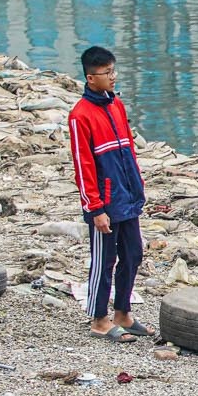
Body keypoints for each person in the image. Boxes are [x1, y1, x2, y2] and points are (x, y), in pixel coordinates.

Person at [68, 46, 151, 343]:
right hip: (104, 203)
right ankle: (98, 318)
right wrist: (95, 208)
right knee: (104, 260)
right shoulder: (80, 115)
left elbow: (128, 151)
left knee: (133, 254)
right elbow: (83, 165)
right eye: (107, 73)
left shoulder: (116, 105)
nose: (113, 77)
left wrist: (137, 189)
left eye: (114, 71)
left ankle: (123, 312)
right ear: (91, 78)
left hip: (127, 197)